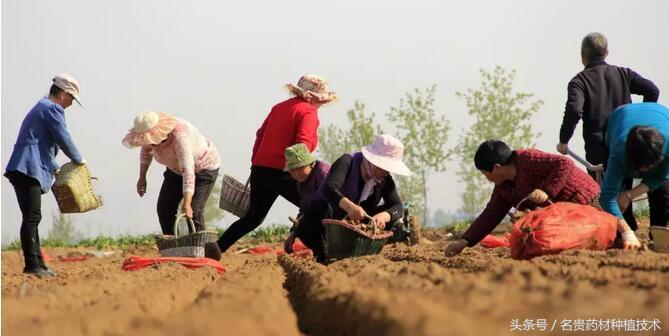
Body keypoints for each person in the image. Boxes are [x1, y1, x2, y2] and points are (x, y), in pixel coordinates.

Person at [217, 75, 338, 253]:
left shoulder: (278, 108)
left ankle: (217, 248)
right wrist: (303, 172)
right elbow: (302, 144)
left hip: (261, 168)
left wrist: (255, 164)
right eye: (321, 100)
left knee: (253, 217)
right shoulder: (308, 112)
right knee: (317, 207)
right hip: (288, 171)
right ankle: (326, 252)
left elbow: (260, 135)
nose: (321, 105)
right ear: (311, 97)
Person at [556, 32, 661, 231]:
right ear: (606, 52)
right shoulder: (623, 73)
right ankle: (628, 234)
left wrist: (564, 140)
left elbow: (574, 109)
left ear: (582, 56)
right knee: (622, 192)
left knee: (607, 196)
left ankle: (621, 236)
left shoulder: (579, 81)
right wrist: (641, 124)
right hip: (628, 143)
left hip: (599, 149)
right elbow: (652, 90)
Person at [445, 140, 600, 256]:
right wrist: (464, 241)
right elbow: (490, 215)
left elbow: (564, 163)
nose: (486, 179)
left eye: (486, 174)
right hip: (566, 215)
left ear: (497, 168)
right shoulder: (503, 189)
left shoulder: (527, 159)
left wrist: (546, 191)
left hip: (588, 201)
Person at [5, 74, 86, 276]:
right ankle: (32, 265)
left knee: (32, 217)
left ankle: (38, 263)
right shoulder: (52, 108)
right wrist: (79, 160)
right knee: (32, 217)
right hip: (27, 168)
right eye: (71, 99)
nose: (70, 105)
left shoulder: (42, 107)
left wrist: (54, 166)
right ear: (64, 94)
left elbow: (39, 145)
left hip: (24, 166)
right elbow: (63, 137)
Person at [122, 111, 221, 258]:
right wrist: (142, 177)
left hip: (203, 167)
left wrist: (187, 202)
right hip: (175, 170)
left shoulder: (180, 137)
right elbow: (146, 152)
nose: (149, 143)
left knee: (194, 211)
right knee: (164, 208)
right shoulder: (149, 140)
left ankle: (208, 255)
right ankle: (174, 251)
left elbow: (188, 171)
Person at [298, 134, 411, 262]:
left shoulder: (384, 179)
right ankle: (325, 256)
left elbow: (397, 206)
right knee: (319, 207)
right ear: (374, 161)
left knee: (391, 212)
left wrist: (384, 216)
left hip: (356, 226)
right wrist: (350, 207)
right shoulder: (347, 162)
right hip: (326, 221)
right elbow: (330, 188)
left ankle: (363, 250)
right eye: (386, 167)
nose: (388, 172)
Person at [599, 103, 669, 249]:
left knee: (663, 193)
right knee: (618, 196)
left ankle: (657, 237)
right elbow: (607, 196)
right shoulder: (619, 153)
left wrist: (630, 195)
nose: (644, 172)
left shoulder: (667, 147)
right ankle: (625, 234)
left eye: (650, 166)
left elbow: (660, 177)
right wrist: (627, 232)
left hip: (660, 113)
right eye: (640, 167)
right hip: (620, 116)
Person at [282, 143, 331, 253]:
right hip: (319, 219)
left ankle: (327, 253)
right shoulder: (302, 182)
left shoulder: (323, 173)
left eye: (299, 168)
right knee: (301, 227)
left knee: (315, 212)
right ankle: (321, 254)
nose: (296, 173)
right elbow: (304, 208)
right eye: (292, 171)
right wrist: (293, 233)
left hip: (335, 217)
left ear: (309, 164)